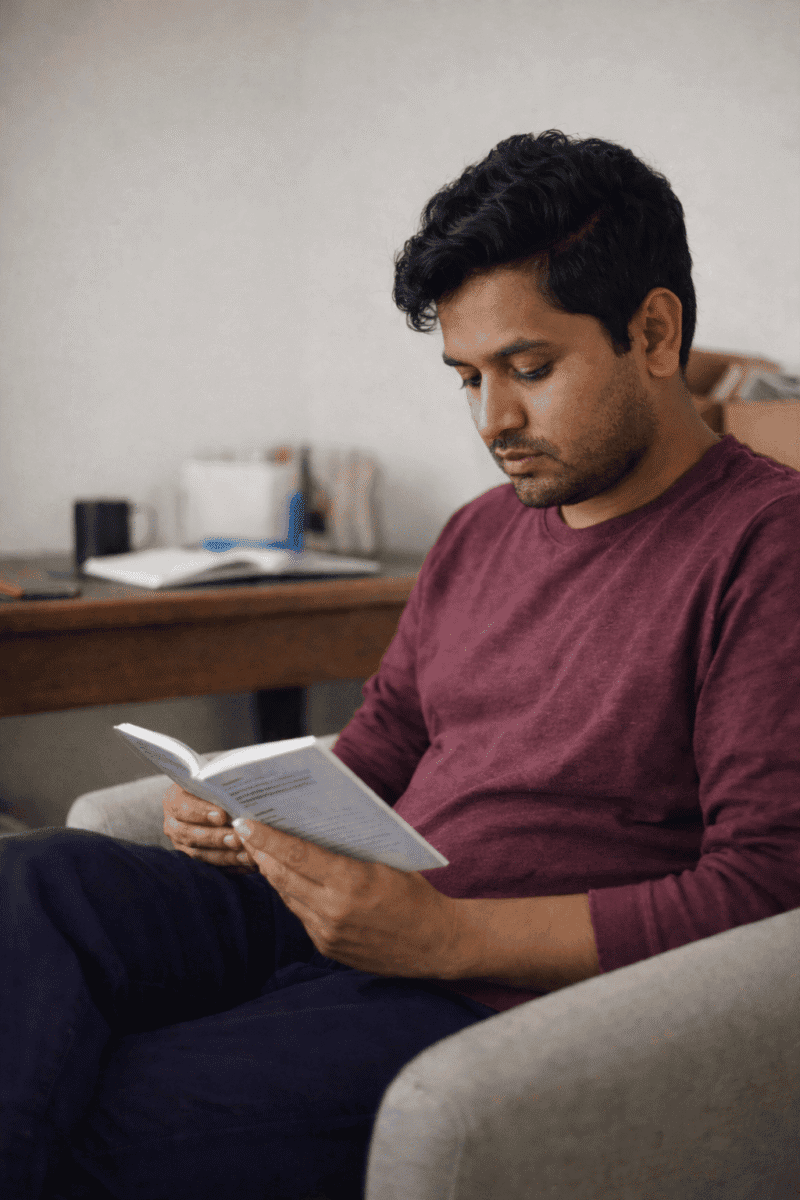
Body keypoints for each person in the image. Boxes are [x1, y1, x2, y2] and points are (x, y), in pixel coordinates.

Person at [3, 129, 800, 1200]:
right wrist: (246, 805)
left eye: (528, 369)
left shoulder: (765, 546)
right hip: (346, 914)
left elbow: (761, 891)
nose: (491, 420)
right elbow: (385, 742)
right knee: (32, 881)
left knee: (123, 1102)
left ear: (651, 333)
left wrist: (441, 937)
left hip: (483, 984)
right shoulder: (478, 532)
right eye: (465, 377)